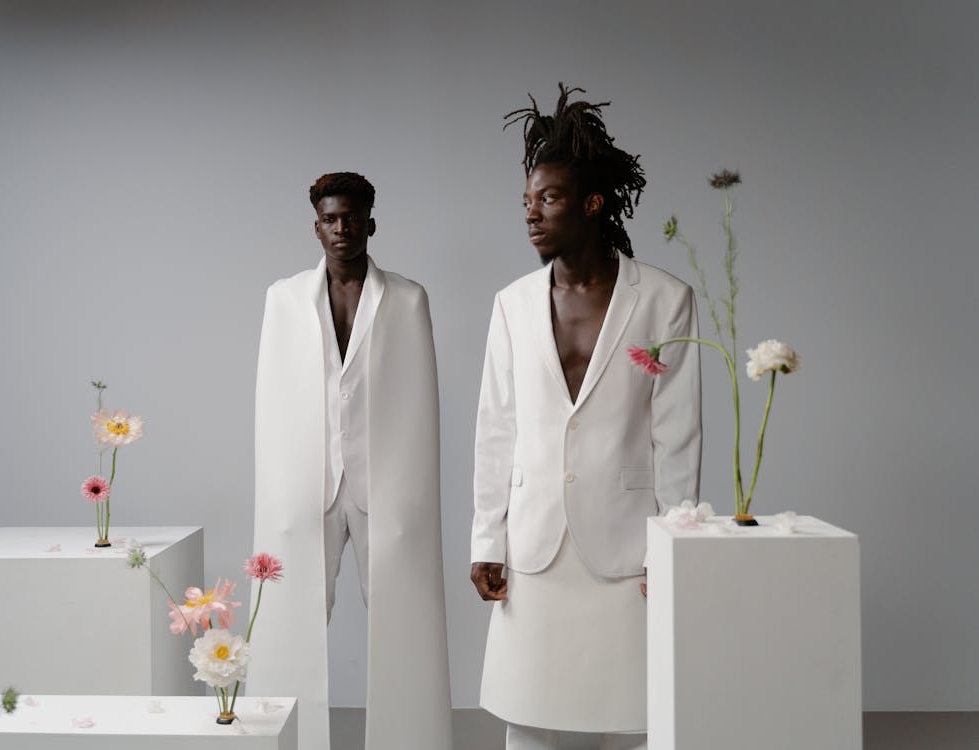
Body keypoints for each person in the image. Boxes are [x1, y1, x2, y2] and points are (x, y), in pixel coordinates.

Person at [471, 85, 702, 750]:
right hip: (534, 542)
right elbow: (496, 427)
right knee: (532, 714)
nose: (530, 214)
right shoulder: (511, 304)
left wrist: (674, 546)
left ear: (592, 203)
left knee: (633, 715)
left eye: (547, 198)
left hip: (626, 546)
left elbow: (677, 431)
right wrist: (487, 537)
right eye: (525, 200)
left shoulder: (662, 298)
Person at [248, 172, 453, 750]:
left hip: (386, 487)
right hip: (306, 484)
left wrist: (412, 493)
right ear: (316, 227)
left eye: (352, 217)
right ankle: (282, 741)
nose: (342, 229)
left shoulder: (408, 299)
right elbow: (273, 398)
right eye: (331, 219)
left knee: (407, 625)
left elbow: (420, 400)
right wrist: (279, 490)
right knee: (288, 622)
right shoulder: (283, 299)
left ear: (371, 222)